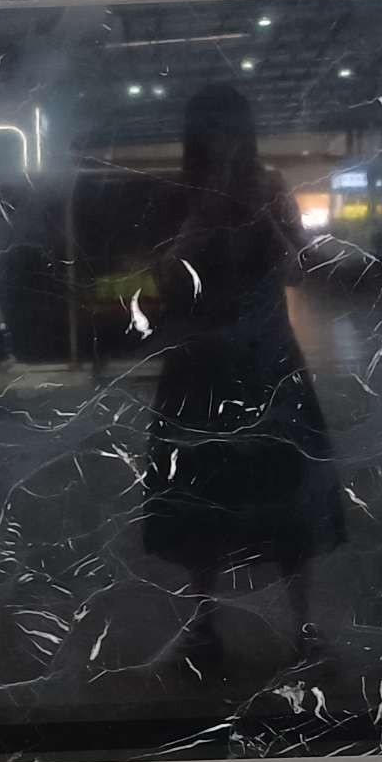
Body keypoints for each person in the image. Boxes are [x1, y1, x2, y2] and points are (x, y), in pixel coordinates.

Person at [142, 84, 347, 669]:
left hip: (265, 360)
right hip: (203, 361)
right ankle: (204, 623)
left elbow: (300, 270)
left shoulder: (268, 186)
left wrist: (267, 221)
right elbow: (161, 278)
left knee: (286, 492)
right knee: (201, 495)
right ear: (196, 136)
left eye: (232, 128)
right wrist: (200, 223)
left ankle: (302, 625)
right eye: (213, 129)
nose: (224, 141)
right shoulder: (178, 194)